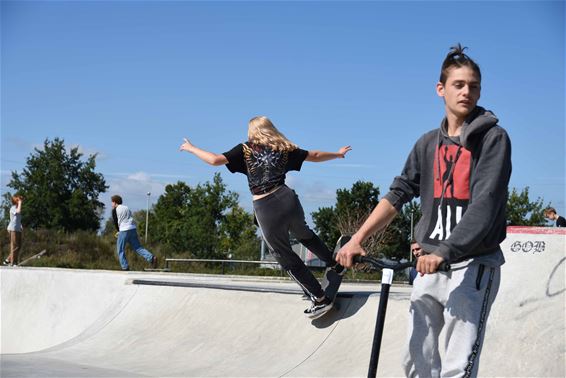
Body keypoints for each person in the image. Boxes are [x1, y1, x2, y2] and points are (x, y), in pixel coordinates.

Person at [336, 44, 512, 377]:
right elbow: (397, 194)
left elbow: (485, 204)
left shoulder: (493, 139)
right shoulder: (427, 143)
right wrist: (358, 238)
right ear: (440, 89)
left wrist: (445, 250)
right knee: (417, 362)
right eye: (458, 84)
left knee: (457, 366)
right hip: (430, 265)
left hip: (473, 264)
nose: (466, 92)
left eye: (473, 86)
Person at [180, 115, 351, 318]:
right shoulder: (283, 147)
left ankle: (320, 299)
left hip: (266, 206)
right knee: (303, 233)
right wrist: (338, 154)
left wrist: (191, 148)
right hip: (287, 197)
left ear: (252, 132)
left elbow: (215, 160)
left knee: (284, 255)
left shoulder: (244, 148)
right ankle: (334, 264)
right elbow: (314, 155)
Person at [111, 195, 158, 271]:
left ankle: (125, 267)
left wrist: (118, 231)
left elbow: (116, 222)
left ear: (115, 202)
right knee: (138, 247)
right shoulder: (126, 208)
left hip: (123, 230)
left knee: (120, 250)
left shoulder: (115, 210)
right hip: (132, 229)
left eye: (112, 202)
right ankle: (151, 258)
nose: (111, 204)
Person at [4, 195, 23, 266]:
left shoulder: (17, 207)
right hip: (13, 229)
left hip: (18, 229)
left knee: (19, 246)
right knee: (14, 246)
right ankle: (13, 262)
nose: (21, 201)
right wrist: (20, 203)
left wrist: (21, 225)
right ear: (16, 201)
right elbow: (18, 212)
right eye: (18, 200)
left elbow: (17, 219)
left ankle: (8, 259)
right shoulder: (13, 208)